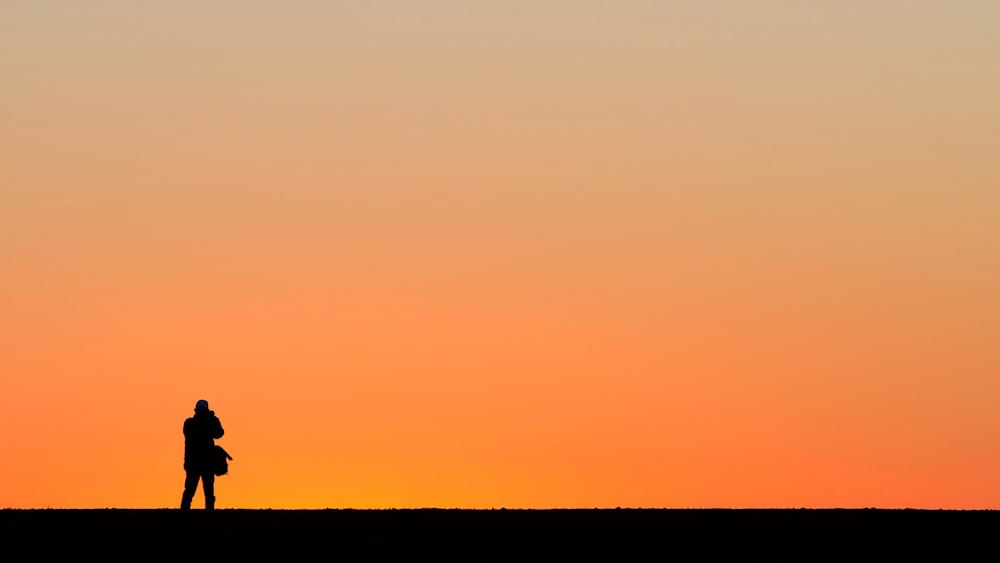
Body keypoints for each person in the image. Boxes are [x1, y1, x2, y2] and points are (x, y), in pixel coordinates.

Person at [180, 399, 225, 510]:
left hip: (199, 462)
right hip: (200, 462)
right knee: (197, 489)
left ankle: (184, 512)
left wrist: (211, 419)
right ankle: (187, 512)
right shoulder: (191, 423)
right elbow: (219, 433)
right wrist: (211, 418)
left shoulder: (190, 423)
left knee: (199, 490)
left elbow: (219, 433)